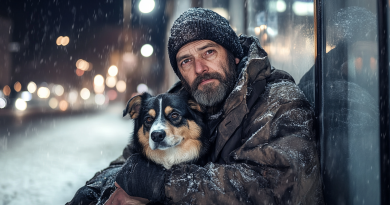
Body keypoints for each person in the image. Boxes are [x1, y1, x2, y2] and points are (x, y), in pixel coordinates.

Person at [67, 8, 324, 205]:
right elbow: (130, 161)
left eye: (209, 52)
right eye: (186, 61)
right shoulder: (181, 101)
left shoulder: (278, 101)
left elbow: (278, 187)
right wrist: (97, 190)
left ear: (234, 55)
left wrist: (162, 184)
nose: (200, 68)